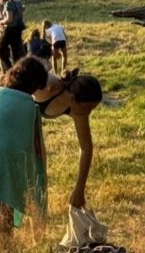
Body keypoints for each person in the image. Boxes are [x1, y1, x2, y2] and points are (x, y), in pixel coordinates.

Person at [0, 56, 59, 236]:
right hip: (5, 157)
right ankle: (5, 252)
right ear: (34, 85)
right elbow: (36, 149)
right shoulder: (28, 106)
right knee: (5, 203)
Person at [33, 68, 105, 211]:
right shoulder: (47, 87)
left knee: (38, 177)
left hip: (32, 121)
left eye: (92, 109)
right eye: (87, 108)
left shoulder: (79, 109)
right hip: (15, 111)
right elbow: (15, 85)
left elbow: (86, 148)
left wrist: (80, 188)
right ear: (72, 98)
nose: (88, 113)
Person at [0, 0, 26, 72]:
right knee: (17, 51)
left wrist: (1, 22)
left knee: (1, 49)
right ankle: (17, 71)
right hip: (17, 27)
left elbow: (8, 18)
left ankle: (8, 71)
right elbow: (20, 15)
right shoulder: (18, 1)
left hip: (8, 26)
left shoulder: (7, 0)